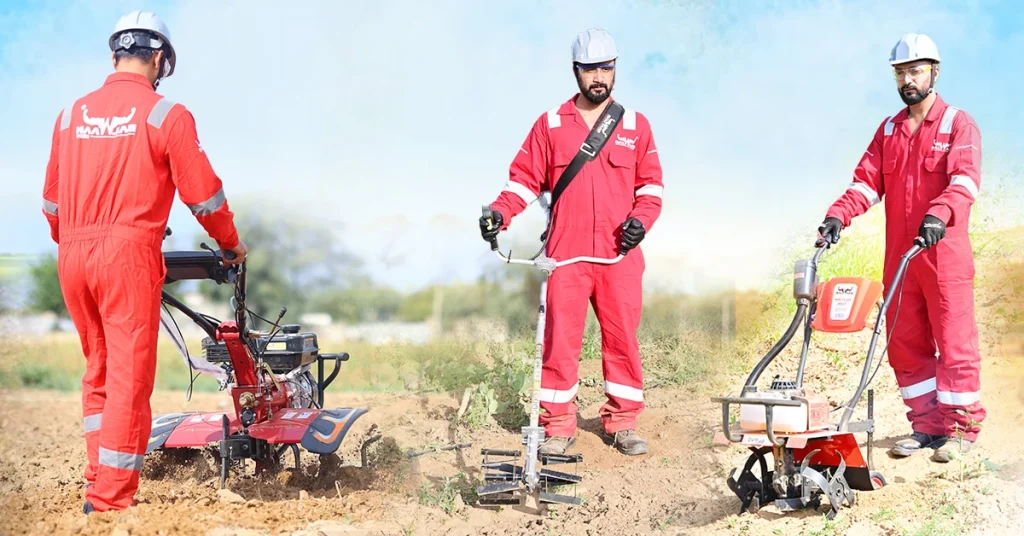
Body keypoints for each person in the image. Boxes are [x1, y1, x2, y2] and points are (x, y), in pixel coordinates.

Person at [41, 11, 247, 513]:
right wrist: (231, 244)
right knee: (129, 381)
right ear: (160, 59)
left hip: (72, 255)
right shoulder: (166, 115)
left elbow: (51, 204)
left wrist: (76, 244)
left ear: (114, 54)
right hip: (126, 257)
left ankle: (98, 479)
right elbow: (205, 197)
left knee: (100, 373)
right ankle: (110, 501)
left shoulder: (70, 116)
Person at [478, 28, 663, 456]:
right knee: (560, 342)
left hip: (620, 256)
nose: (599, 77)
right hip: (566, 255)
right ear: (575, 72)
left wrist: (641, 221)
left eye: (606, 68)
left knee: (622, 340)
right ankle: (559, 425)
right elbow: (523, 181)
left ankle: (622, 421)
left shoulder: (636, 125)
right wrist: (499, 213)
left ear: (615, 69)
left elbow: (652, 187)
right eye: (590, 70)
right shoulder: (550, 124)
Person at [818, 33, 983, 463]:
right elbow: (866, 183)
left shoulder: (957, 124)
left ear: (934, 72)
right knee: (905, 343)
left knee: (954, 342)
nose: (908, 79)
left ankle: (962, 429)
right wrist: (838, 215)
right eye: (901, 72)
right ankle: (927, 427)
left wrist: (939, 213)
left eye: (916, 70)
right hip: (901, 260)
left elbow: (965, 180)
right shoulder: (889, 129)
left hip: (943, 255)